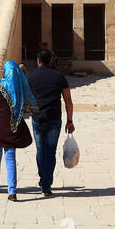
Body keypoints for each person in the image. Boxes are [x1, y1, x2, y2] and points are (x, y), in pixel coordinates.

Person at [0, 60, 36, 201]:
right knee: (10, 158)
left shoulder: (0, 86)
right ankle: (12, 192)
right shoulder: (20, 87)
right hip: (12, 127)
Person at [27, 49, 75, 196]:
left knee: (40, 150)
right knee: (51, 151)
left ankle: (43, 179)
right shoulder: (59, 77)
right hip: (54, 118)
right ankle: (46, 184)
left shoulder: (31, 77)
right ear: (50, 61)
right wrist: (70, 121)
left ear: (38, 61)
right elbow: (68, 101)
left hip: (37, 118)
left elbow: (27, 100)